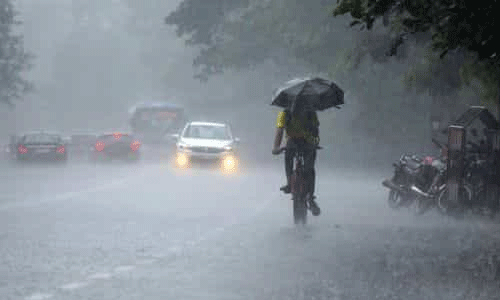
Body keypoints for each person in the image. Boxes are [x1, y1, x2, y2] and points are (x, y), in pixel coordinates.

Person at [272, 106, 320, 215]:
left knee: (309, 167)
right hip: (292, 141)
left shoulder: (311, 112)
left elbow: (316, 129)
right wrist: (276, 147)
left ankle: (311, 198)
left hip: (308, 141)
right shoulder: (284, 114)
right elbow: (279, 130)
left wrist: (315, 142)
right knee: (288, 155)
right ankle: (289, 182)